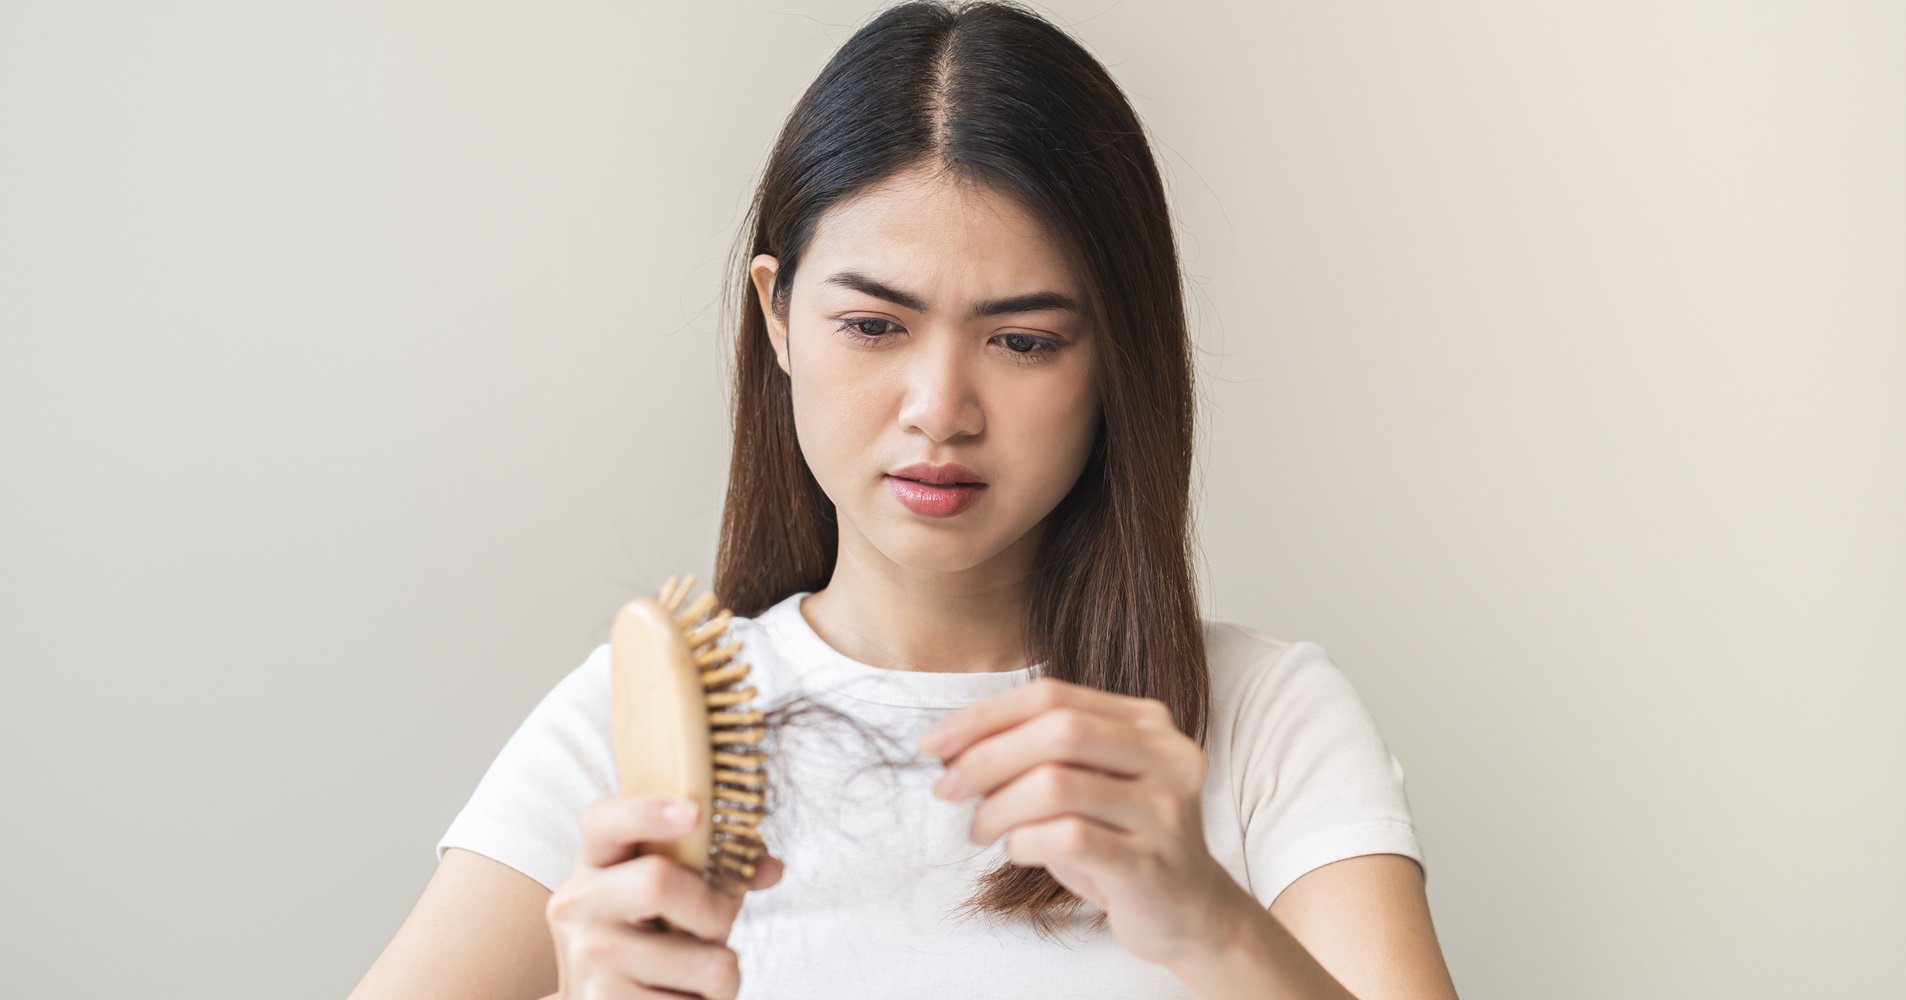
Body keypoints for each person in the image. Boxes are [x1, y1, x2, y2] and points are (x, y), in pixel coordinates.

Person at [353, 2, 1458, 997]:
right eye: (874, 325)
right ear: (777, 317)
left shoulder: (1268, 723)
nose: (941, 409)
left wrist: (1213, 926)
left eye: (1023, 340)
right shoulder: (637, 728)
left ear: (1116, 355)